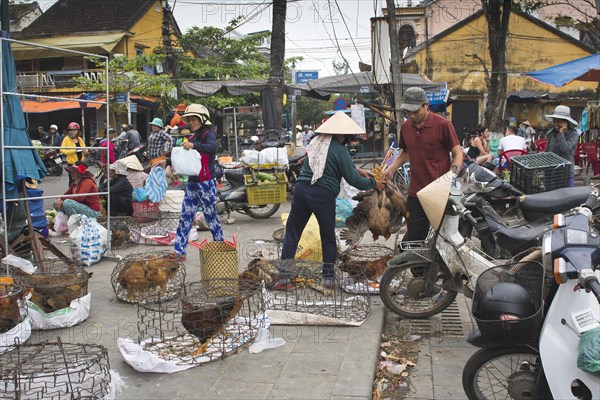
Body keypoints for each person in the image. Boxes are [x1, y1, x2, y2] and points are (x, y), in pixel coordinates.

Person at [281, 111, 385, 290]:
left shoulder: (316, 142)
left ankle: (283, 278)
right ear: (342, 133)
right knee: (327, 236)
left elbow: (326, 164)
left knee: (292, 234)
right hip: (322, 194)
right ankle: (328, 278)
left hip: (301, 191)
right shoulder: (339, 148)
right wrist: (374, 183)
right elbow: (353, 180)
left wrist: (358, 170)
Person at [384, 87, 463, 243]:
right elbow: (405, 152)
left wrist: (452, 172)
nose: (411, 115)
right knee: (414, 237)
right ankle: (417, 267)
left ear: (426, 105)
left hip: (439, 191)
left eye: (415, 111)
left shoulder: (443, 125)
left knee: (442, 237)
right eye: (408, 112)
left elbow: (458, 153)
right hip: (416, 192)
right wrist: (391, 169)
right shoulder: (406, 128)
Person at [161, 104, 224, 260]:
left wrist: (194, 145)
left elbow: (212, 148)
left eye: (194, 119)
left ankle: (220, 246)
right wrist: (166, 161)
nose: (192, 122)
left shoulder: (208, 133)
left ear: (202, 119)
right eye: (190, 119)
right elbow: (183, 156)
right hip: (192, 183)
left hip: (206, 182)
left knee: (211, 216)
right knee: (185, 216)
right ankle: (179, 252)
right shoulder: (193, 136)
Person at [544, 105, 579, 187]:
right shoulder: (552, 134)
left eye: (559, 121)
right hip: (551, 172)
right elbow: (547, 151)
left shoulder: (573, 134)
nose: (556, 124)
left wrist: (561, 133)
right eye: (554, 121)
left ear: (566, 122)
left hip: (565, 172)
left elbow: (565, 149)